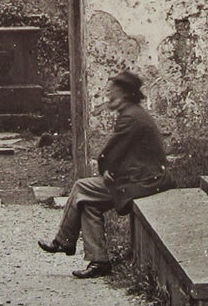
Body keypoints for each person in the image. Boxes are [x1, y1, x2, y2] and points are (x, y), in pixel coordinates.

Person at [37, 70, 168, 279]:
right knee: (88, 203)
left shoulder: (131, 118)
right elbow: (125, 153)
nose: (109, 97)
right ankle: (99, 261)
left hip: (145, 181)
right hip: (142, 177)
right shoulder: (133, 114)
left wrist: (109, 170)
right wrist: (112, 171)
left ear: (125, 95)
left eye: (112, 93)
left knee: (81, 187)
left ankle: (63, 241)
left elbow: (110, 152)